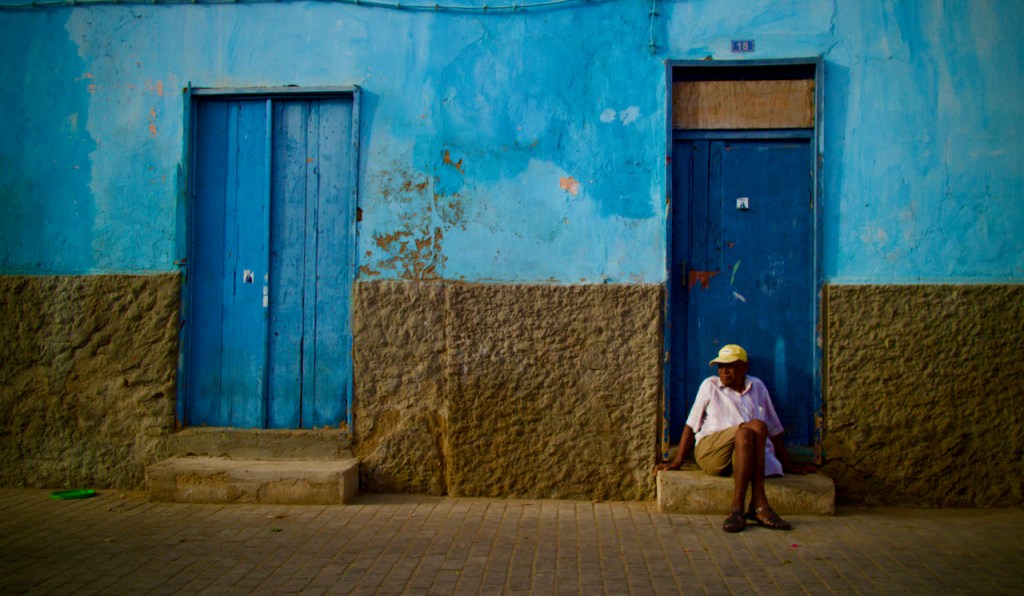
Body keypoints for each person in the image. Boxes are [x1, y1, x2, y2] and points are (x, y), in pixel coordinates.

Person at [654, 344, 816, 533]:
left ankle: (738, 509)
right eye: (721, 366)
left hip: (740, 455)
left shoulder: (757, 387)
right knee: (756, 427)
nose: (724, 371)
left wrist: (788, 465)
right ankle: (759, 502)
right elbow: (691, 425)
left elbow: (774, 429)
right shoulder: (710, 385)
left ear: (744, 367)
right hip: (712, 451)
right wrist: (677, 461)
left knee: (748, 433)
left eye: (730, 366)